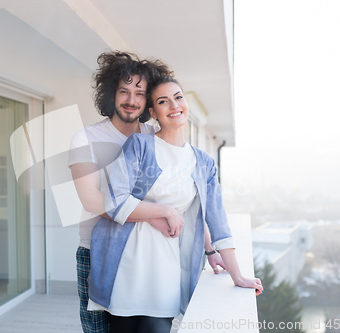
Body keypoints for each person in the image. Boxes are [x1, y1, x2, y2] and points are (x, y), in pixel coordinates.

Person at [88, 75, 264, 333]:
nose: (174, 105)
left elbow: (215, 218)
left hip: (166, 266)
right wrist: (164, 211)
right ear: (153, 112)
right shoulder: (139, 145)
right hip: (125, 263)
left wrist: (234, 272)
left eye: (178, 97)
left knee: (157, 328)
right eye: (163, 101)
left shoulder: (203, 162)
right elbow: (115, 200)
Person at [68, 51, 228, 333]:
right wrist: (155, 214)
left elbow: (188, 199)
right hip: (96, 251)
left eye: (140, 93)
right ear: (110, 94)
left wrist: (210, 248)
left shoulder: (154, 137)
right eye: (124, 91)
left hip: (148, 254)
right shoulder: (86, 138)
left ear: (148, 103)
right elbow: (92, 201)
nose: (131, 100)